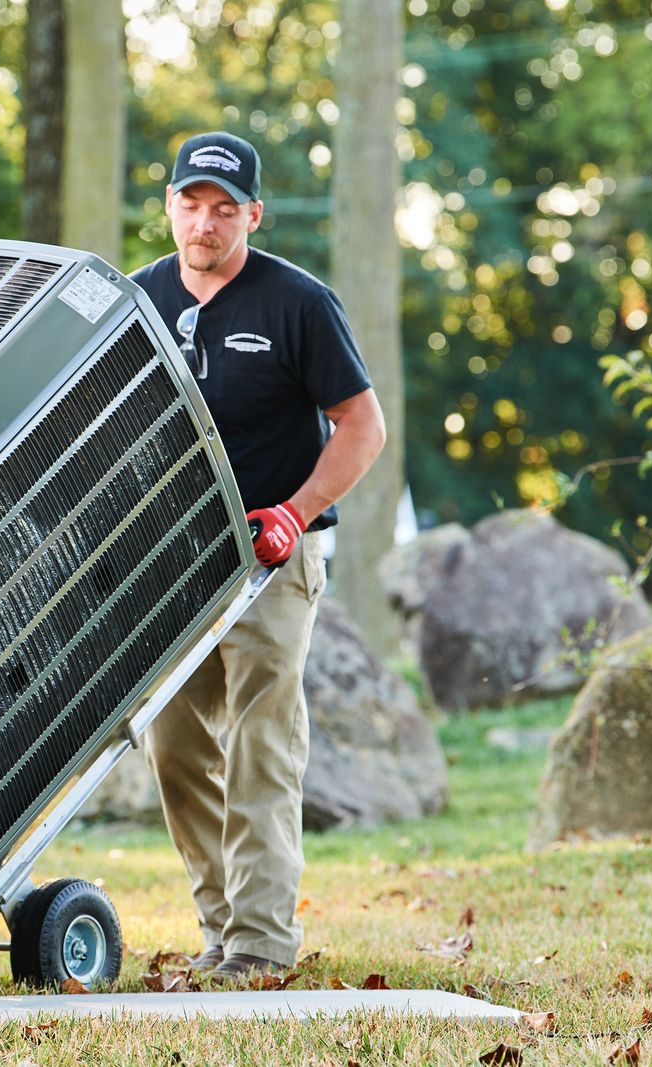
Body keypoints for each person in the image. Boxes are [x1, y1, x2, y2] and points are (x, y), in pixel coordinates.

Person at [132, 132, 387, 981]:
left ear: (252, 213)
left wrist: (294, 511)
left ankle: (262, 943)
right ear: (170, 205)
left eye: (224, 208)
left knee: (261, 741)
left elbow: (363, 427)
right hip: (179, 563)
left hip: (276, 554)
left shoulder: (298, 303)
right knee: (171, 741)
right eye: (191, 204)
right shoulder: (138, 301)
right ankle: (221, 926)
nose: (205, 223)